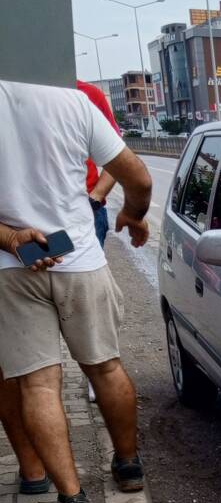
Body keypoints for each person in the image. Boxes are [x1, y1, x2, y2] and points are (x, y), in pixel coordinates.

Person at [0, 79, 153, 503]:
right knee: (105, 366)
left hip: (12, 269)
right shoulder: (72, 99)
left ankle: (73, 501)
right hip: (81, 257)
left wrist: (11, 238)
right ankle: (127, 465)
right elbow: (139, 178)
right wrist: (133, 214)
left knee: (39, 385)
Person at [77, 80, 121, 403]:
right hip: (27, 224)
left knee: (88, 300)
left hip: (87, 215)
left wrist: (95, 198)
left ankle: (97, 373)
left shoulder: (88, 94)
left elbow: (118, 156)